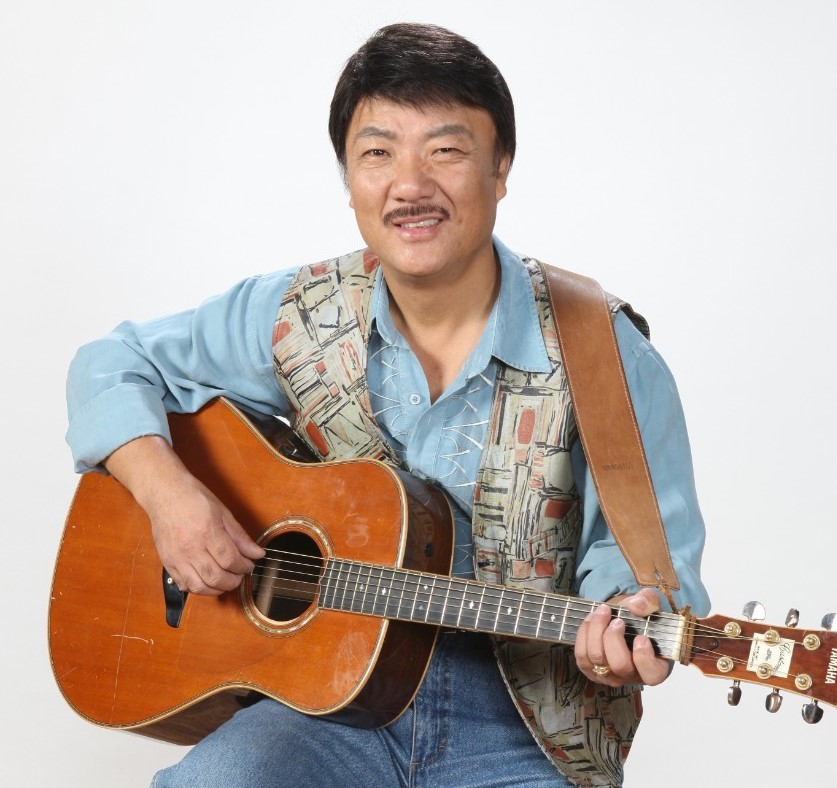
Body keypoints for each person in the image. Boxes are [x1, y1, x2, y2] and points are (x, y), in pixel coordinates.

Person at [65, 22, 709, 788]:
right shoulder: (300, 312)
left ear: (500, 168)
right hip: (325, 701)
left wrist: (624, 627)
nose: (408, 186)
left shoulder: (604, 355)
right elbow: (111, 362)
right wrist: (170, 497)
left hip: (523, 728)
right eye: (377, 153)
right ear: (348, 178)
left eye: (445, 150)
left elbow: (647, 569)